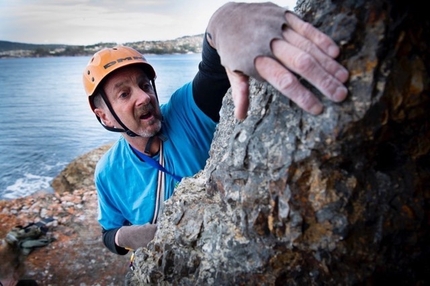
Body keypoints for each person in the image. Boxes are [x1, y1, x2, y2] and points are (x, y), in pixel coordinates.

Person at [82, 2, 349, 256]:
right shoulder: (108, 171)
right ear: (105, 117)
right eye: (124, 94)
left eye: (145, 84)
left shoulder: (184, 112)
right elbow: (108, 231)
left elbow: (211, 72)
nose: (143, 97)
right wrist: (123, 237)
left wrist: (226, 19)